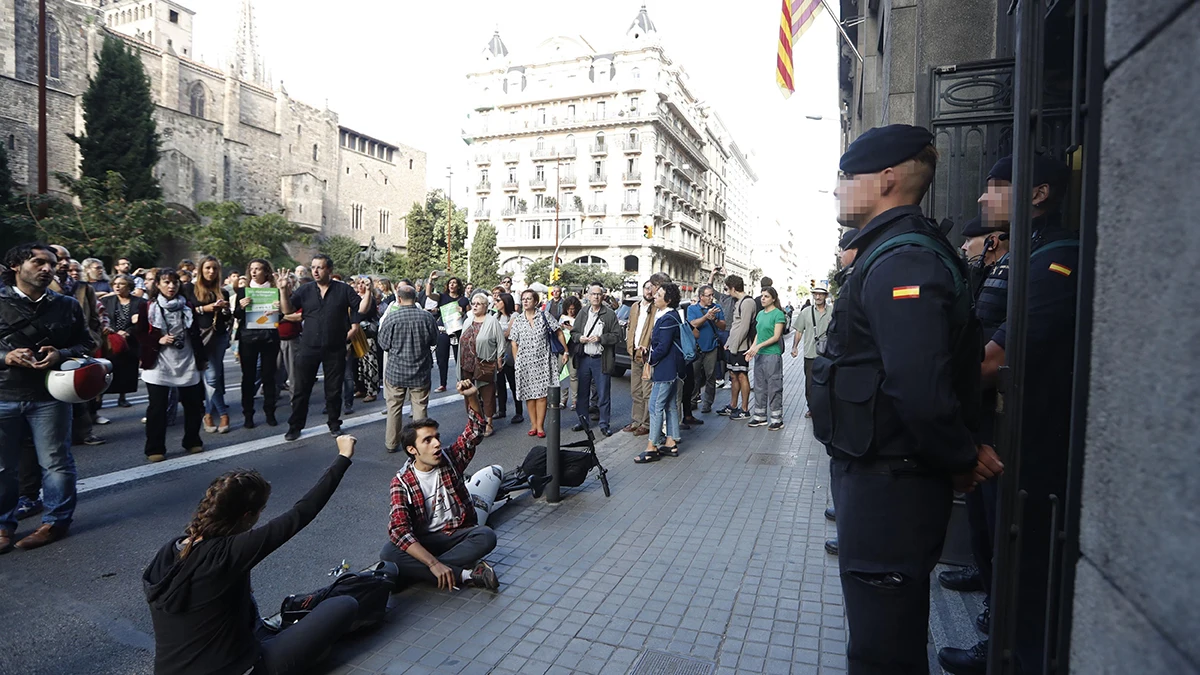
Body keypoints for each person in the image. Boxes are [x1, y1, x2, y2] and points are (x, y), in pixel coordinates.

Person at [815, 124, 1002, 673]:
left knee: (882, 650)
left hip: (890, 487)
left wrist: (959, 458)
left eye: (847, 177)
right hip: (883, 479)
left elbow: (919, 385)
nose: (837, 189)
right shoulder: (891, 252)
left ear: (888, 179)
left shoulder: (902, 261)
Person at [938, 154, 1077, 675]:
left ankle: (1009, 649)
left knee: (1017, 543)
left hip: (1028, 431)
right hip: (994, 420)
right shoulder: (1020, 255)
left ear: (1037, 193)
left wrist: (927, 386)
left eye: (996, 187)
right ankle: (998, 614)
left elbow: (999, 356)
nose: (981, 197)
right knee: (988, 530)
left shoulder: (1055, 258)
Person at [144, 434, 361, 675]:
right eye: (261, 510)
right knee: (344, 605)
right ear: (247, 515)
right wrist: (343, 457)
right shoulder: (231, 552)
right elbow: (302, 512)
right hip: (240, 669)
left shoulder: (170, 550)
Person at [0, 243, 92, 553]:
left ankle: (55, 522)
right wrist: (6, 356)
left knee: (56, 463)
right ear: (16, 266)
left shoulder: (66, 304)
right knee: (3, 467)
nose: (47, 268)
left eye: (51, 263)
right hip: (4, 395)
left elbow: (87, 344)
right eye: (38, 262)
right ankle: (2, 526)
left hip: (50, 396)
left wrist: (61, 353)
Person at [380, 380, 499, 591]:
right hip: (425, 540)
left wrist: (471, 396)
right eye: (427, 440)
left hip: (455, 534)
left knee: (486, 536)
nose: (436, 444)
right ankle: (465, 575)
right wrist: (433, 563)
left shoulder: (449, 459)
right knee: (389, 552)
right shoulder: (402, 482)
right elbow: (399, 530)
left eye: (437, 437)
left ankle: (421, 573)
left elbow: (475, 432)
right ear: (412, 450)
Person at [279, 255, 371, 441]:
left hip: (335, 347)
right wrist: (282, 291)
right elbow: (287, 310)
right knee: (301, 389)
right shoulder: (305, 290)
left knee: (333, 388)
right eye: (313, 267)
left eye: (319, 267)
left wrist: (368, 292)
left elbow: (361, 309)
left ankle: (334, 423)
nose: (315, 271)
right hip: (308, 347)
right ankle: (295, 426)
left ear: (329, 269)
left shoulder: (343, 289)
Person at [137, 268, 208, 463]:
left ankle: (192, 439)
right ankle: (154, 447)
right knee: (157, 408)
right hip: (159, 361)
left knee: (193, 405)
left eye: (175, 282)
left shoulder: (187, 305)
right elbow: (140, 333)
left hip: (186, 359)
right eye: (166, 282)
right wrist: (158, 340)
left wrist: (202, 358)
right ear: (158, 285)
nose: (171, 286)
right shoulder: (148, 306)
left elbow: (195, 334)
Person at [378, 284, 439, 452]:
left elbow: (383, 344)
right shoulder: (426, 317)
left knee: (394, 408)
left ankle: (391, 443)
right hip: (420, 369)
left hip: (396, 371)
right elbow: (434, 340)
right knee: (420, 407)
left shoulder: (392, 318)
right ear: (416, 298)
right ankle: (421, 443)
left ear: (398, 298)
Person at [634, 283, 684, 463]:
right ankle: (671, 441)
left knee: (655, 406)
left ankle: (652, 446)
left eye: (659, 295)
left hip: (666, 369)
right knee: (670, 405)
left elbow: (662, 347)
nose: (655, 296)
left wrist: (650, 356)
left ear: (668, 300)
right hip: (673, 368)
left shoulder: (668, 318)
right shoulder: (670, 315)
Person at [231, 260, 283, 429]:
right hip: (248, 337)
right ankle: (248, 414)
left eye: (257, 269)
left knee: (269, 376)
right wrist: (241, 306)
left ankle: (270, 412)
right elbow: (237, 315)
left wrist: (278, 310)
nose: (253, 272)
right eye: (251, 269)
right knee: (248, 377)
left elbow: (282, 314)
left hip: (269, 337)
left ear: (266, 272)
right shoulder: (243, 291)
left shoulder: (274, 291)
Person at [509, 289, 568, 438]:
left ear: (535, 301)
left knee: (542, 396)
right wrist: (517, 362)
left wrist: (566, 351)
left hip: (543, 361)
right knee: (529, 395)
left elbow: (559, 332)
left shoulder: (544, 316)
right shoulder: (518, 320)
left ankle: (540, 426)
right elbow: (514, 343)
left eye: (529, 298)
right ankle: (533, 424)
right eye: (523, 299)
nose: (526, 301)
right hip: (525, 362)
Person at [186, 256, 233, 434]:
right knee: (208, 377)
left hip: (218, 336)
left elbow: (227, 319)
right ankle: (220, 413)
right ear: (200, 270)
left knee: (213, 376)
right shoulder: (190, 289)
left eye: (214, 268)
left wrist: (226, 309)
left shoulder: (223, 292)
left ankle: (211, 415)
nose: (211, 272)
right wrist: (203, 309)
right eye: (207, 268)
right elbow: (185, 310)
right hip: (198, 337)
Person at [623, 274, 671, 436]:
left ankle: (647, 423)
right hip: (634, 352)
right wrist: (630, 346)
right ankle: (636, 420)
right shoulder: (635, 306)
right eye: (646, 288)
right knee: (635, 390)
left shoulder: (656, 308)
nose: (649, 291)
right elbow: (631, 328)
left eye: (652, 288)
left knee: (647, 391)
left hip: (647, 355)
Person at [571, 283, 620, 436]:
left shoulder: (609, 314)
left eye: (599, 294)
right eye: (593, 294)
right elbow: (574, 333)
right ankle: (582, 420)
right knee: (582, 392)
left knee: (603, 393)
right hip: (584, 358)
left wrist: (600, 338)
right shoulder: (583, 312)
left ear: (603, 296)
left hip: (601, 359)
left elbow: (617, 336)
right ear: (588, 296)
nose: (596, 297)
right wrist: (581, 338)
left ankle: (604, 424)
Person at [458, 292, 504, 437]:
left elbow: (500, 341)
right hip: (467, 363)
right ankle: (474, 422)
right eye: (473, 303)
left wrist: (499, 358)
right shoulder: (468, 320)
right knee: (469, 394)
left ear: (485, 306)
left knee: (487, 393)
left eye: (478, 304)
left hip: (485, 363)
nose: (475, 306)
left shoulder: (492, 321)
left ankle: (488, 422)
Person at [100, 273, 146, 409]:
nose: (117, 287)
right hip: (110, 339)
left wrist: (129, 332)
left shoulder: (140, 302)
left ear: (129, 286)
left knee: (126, 369)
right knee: (107, 369)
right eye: (115, 284)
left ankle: (123, 397)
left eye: (121, 284)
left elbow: (142, 322)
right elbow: (102, 318)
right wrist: (113, 330)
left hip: (130, 340)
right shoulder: (106, 301)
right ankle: (99, 398)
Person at [746, 286, 787, 431]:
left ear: (773, 299)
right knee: (759, 386)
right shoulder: (760, 314)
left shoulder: (778, 314)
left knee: (774, 386)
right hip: (760, 355)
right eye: (762, 296)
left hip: (772, 355)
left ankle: (777, 418)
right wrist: (752, 349)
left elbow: (776, 337)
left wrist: (758, 347)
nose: (762, 298)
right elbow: (758, 334)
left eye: (766, 296)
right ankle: (760, 415)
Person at [790, 285, 833, 419]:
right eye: (815, 294)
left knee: (828, 381)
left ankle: (827, 408)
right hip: (810, 353)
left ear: (825, 296)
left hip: (828, 354)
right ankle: (812, 408)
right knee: (810, 384)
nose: (818, 297)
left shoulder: (833, 311)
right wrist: (794, 347)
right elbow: (799, 330)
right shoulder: (806, 312)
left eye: (820, 294)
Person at [718, 275, 756, 420]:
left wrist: (734, 346)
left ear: (733, 288)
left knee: (741, 375)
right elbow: (735, 325)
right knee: (734, 375)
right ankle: (733, 405)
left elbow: (744, 327)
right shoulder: (739, 302)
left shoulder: (747, 302)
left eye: (728, 288)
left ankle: (745, 409)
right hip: (734, 345)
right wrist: (729, 342)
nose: (727, 291)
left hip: (741, 347)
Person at [685, 284, 726, 417]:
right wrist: (706, 317)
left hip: (711, 346)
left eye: (712, 295)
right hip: (696, 348)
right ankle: (693, 400)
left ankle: (708, 402)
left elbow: (723, 326)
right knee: (694, 376)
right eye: (708, 295)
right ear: (701, 297)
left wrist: (714, 319)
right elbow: (693, 324)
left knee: (710, 376)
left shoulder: (717, 308)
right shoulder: (692, 308)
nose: (711, 298)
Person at [428, 273, 468, 393]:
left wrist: (463, 313)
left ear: (458, 286)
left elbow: (470, 315)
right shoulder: (442, 297)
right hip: (443, 331)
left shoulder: (464, 300)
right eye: (450, 283)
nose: (452, 285)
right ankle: (442, 383)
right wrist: (430, 280)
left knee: (458, 358)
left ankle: (461, 382)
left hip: (457, 331)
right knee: (442, 358)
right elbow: (428, 294)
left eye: (454, 283)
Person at [493, 292, 521, 424]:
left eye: (498, 300)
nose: (496, 302)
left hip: (510, 352)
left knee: (513, 383)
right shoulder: (495, 316)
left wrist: (499, 335)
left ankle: (519, 411)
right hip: (498, 352)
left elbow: (508, 334)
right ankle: (502, 410)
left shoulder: (514, 315)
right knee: (500, 383)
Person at [558, 296, 582, 410]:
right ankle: (563, 399)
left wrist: (571, 328)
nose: (571, 311)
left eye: (573, 309)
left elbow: (581, 333)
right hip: (562, 349)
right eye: (569, 309)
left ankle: (575, 400)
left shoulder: (579, 318)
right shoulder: (562, 317)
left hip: (573, 348)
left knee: (573, 375)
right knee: (560, 374)